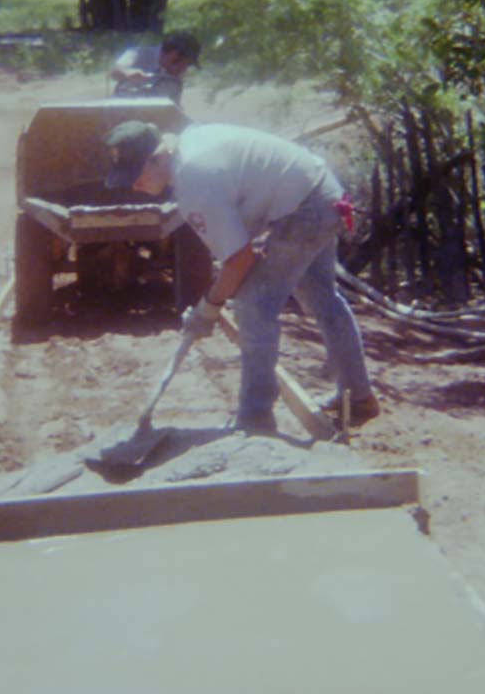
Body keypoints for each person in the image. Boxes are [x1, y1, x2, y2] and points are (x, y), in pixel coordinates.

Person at [103, 119, 380, 435]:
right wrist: (218, 293)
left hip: (306, 208)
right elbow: (241, 245)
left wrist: (209, 307)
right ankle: (359, 397)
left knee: (253, 305)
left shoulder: (193, 179)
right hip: (320, 190)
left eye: (136, 174)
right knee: (321, 298)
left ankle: (255, 420)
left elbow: (239, 261)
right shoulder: (191, 146)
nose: (133, 185)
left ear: (159, 155)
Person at [110, 31, 202, 103]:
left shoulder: (176, 76)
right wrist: (127, 73)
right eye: (181, 62)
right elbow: (114, 71)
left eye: (188, 65)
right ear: (170, 54)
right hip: (123, 110)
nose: (183, 69)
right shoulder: (138, 53)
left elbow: (172, 106)